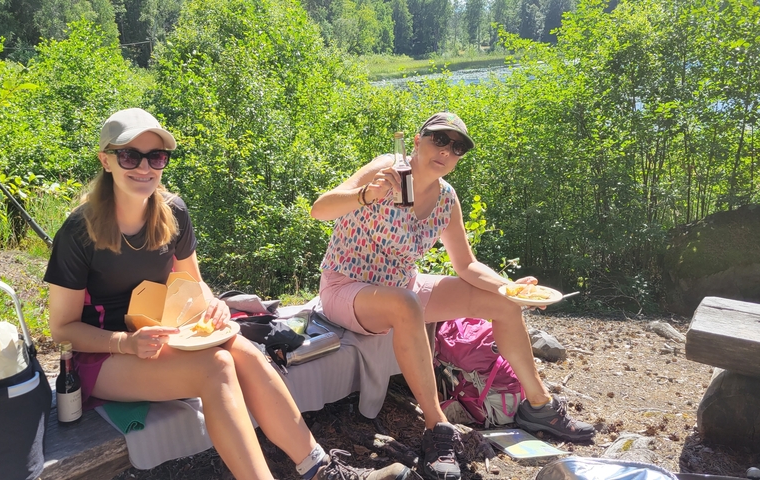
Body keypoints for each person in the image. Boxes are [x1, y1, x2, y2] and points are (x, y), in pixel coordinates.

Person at [44, 108, 422, 480]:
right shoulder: (81, 231)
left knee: (243, 350)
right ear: (106, 161)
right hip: (103, 354)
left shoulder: (172, 211)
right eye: (130, 155)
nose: (145, 168)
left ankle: (321, 469)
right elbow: (62, 329)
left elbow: (193, 284)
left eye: (156, 157)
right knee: (218, 368)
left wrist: (213, 307)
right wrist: (126, 343)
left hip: (162, 336)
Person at [310, 112, 595, 480]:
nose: (447, 150)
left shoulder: (446, 198)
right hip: (346, 286)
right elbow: (319, 210)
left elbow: (466, 264)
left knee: (503, 305)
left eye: (457, 147)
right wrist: (367, 194)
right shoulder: (388, 168)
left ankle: (540, 406)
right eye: (439, 140)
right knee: (407, 303)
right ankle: (438, 428)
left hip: (401, 285)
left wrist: (512, 288)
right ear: (417, 140)